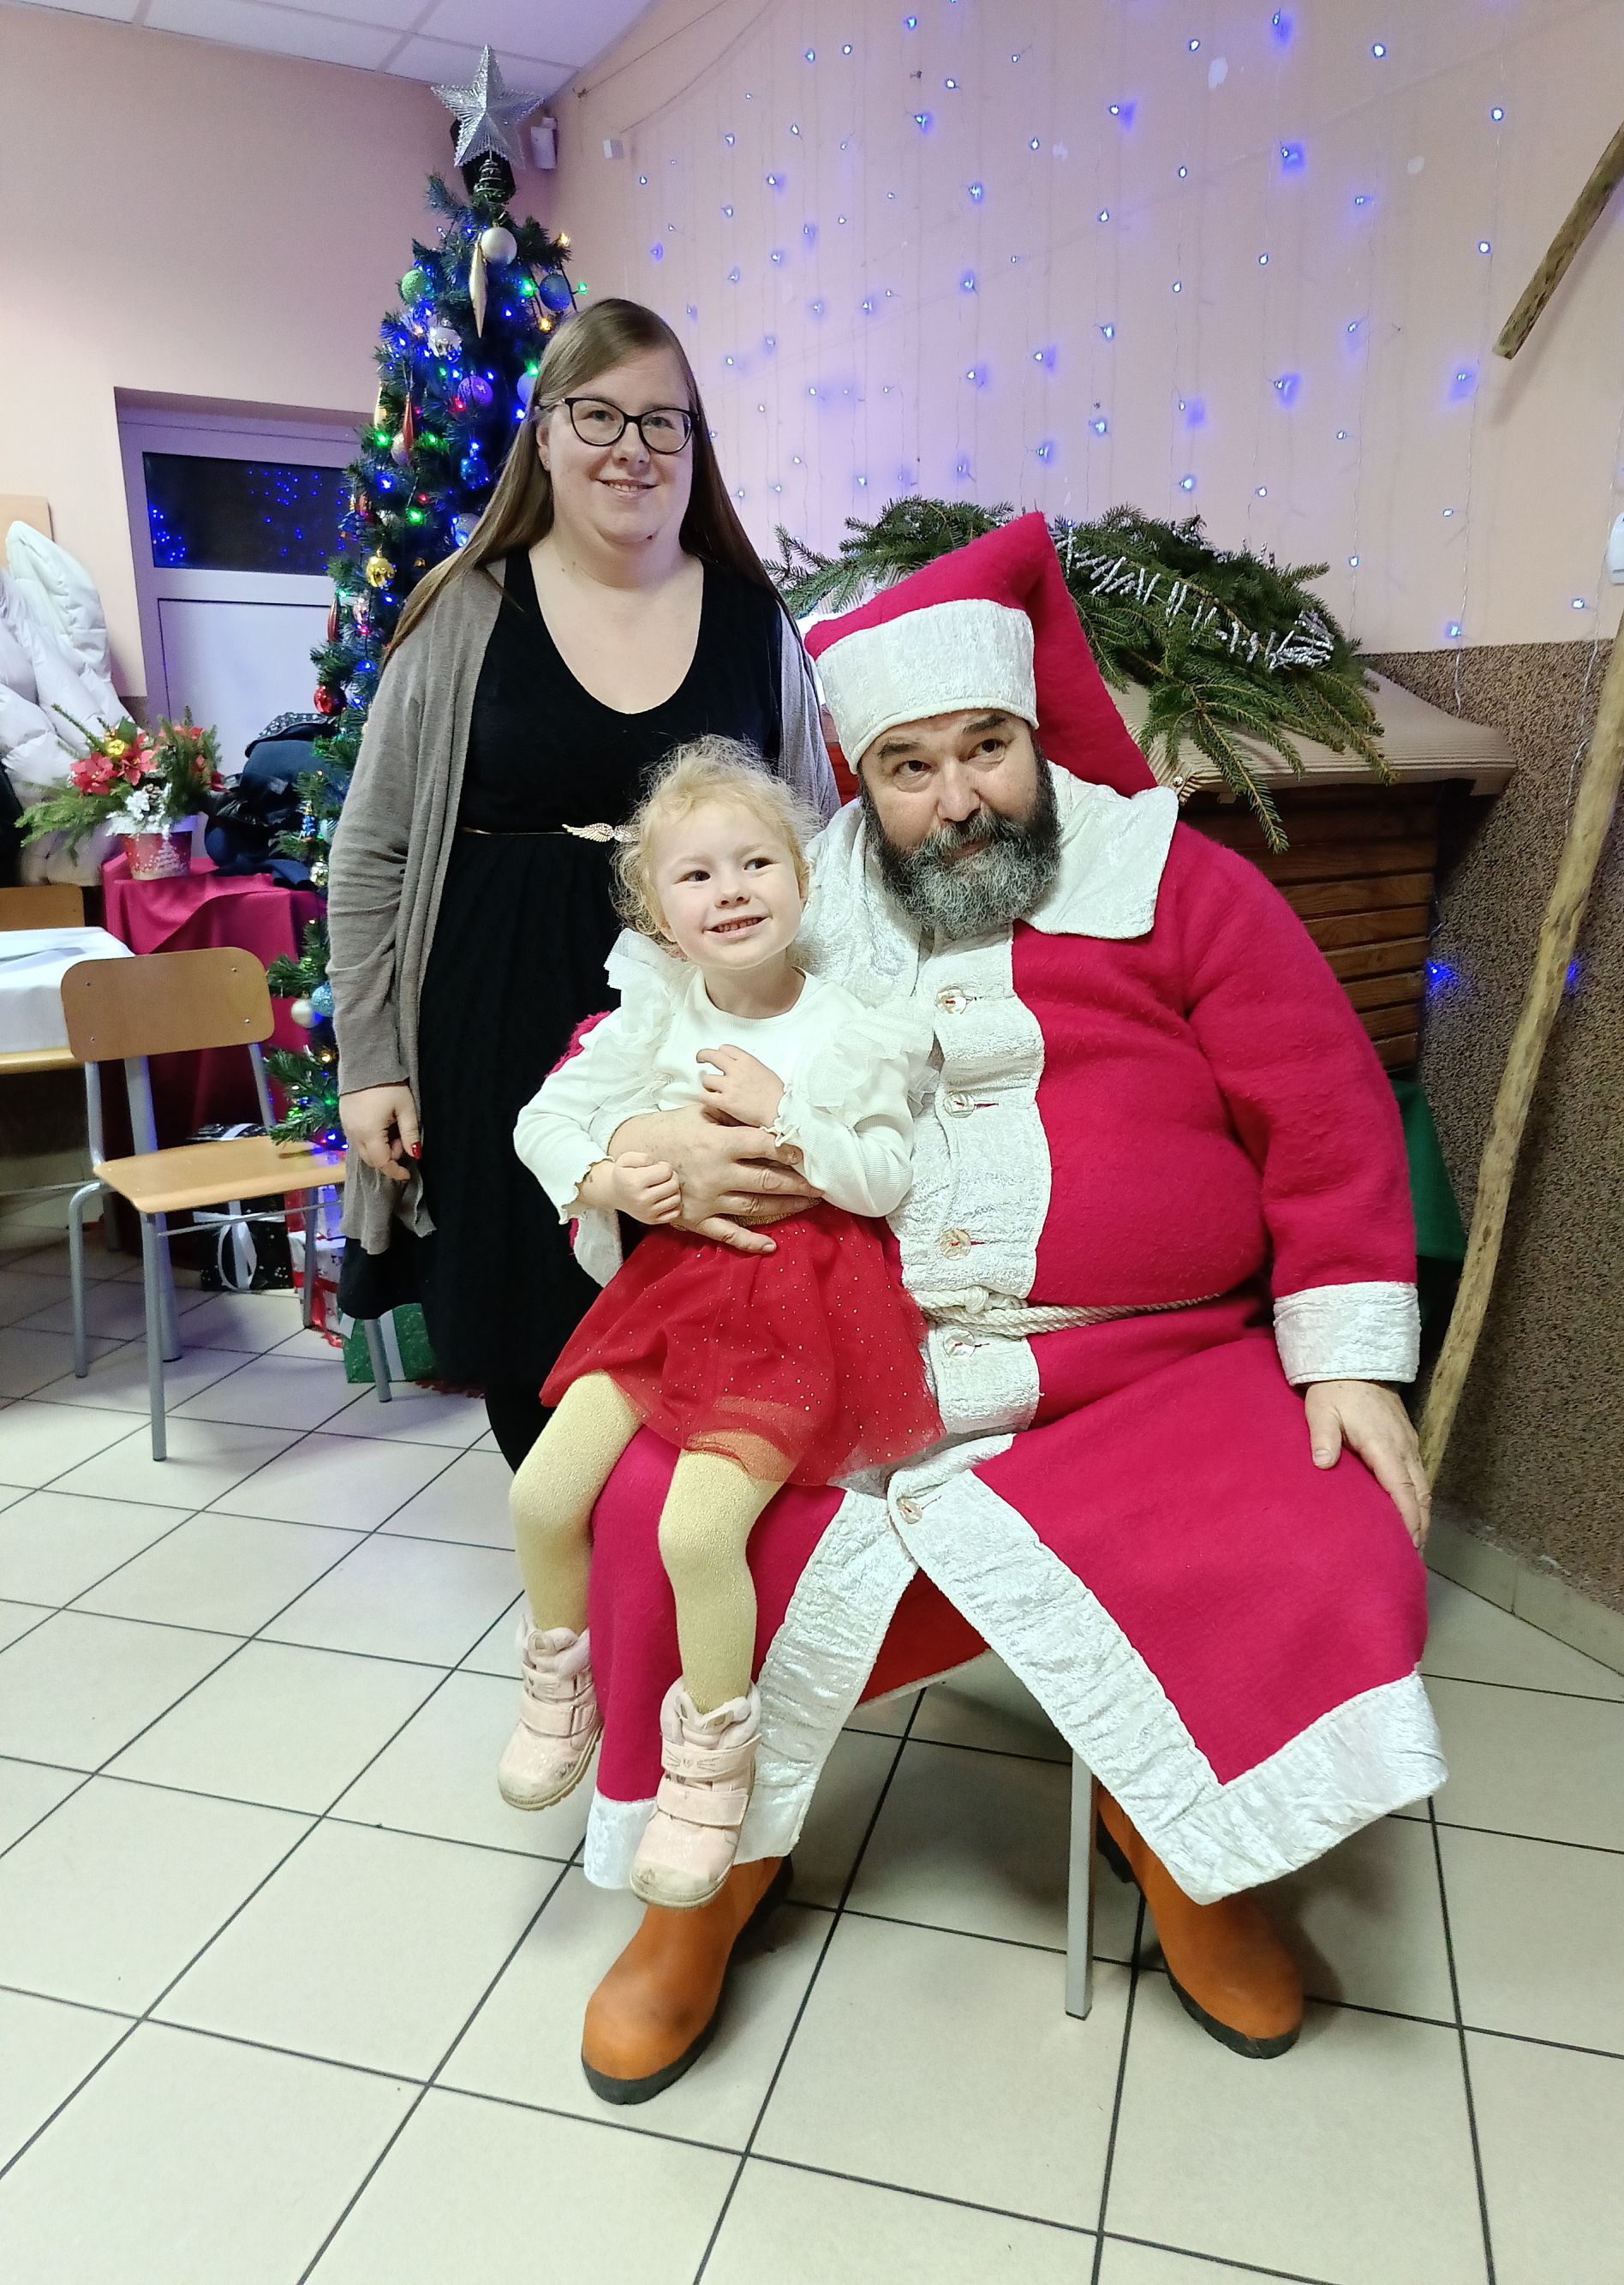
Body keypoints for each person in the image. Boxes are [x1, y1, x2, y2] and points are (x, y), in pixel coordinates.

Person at [558, 511, 1446, 2107]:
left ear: (1036, 736)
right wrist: (645, 1153)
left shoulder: (1177, 882)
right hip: (833, 1359)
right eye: (910, 767)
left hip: (1145, 1367)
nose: (958, 797)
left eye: (988, 748)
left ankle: (1183, 1833)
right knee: (642, 1512)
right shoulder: (790, 892)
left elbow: (1321, 1115)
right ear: (862, 778)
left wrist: (1347, 1354)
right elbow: (617, 1044)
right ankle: (703, 1874)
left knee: (1316, 1523)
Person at [325, 299, 836, 1469]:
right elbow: (372, 850)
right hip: (493, 1018)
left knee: (706, 1297)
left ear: (694, 445)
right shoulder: (462, 611)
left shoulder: (754, 619)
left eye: (664, 422)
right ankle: (572, 1561)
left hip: (701, 1022)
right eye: (598, 415)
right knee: (530, 1327)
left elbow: (814, 840)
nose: (631, 448)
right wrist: (372, 1063)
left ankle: (676, 1562)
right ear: (545, 434)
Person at [499, 741, 939, 1915]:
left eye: (756, 863)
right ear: (660, 914)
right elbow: (543, 1122)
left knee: (698, 1534)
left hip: (801, 1309)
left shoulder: (853, 1027)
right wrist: (607, 1174)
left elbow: (885, 1176)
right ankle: (563, 1684)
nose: (731, 891)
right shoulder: (652, 1019)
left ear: (802, 879)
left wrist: (785, 1115)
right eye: (696, 876)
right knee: (541, 1495)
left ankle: (708, 1763)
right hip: (676, 1296)